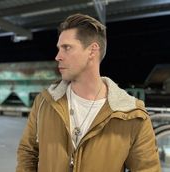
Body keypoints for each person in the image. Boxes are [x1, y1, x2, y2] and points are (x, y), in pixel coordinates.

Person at [16, 13, 161, 172]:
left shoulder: (132, 115)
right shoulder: (45, 101)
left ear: (92, 51)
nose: (58, 56)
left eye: (67, 48)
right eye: (59, 49)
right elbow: (28, 152)